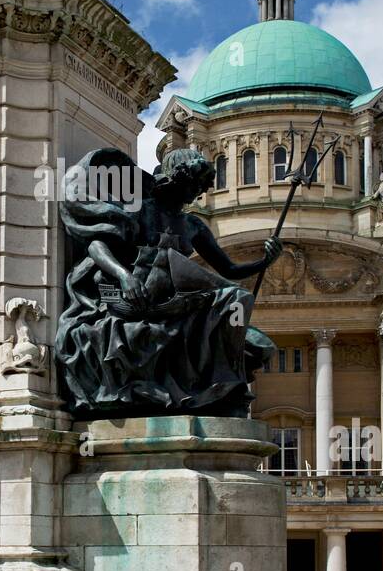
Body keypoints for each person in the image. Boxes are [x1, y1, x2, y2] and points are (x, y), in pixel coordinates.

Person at [55, 147, 282, 416]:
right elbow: (96, 246)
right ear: (174, 179)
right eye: (191, 183)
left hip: (172, 301)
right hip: (131, 298)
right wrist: (124, 276)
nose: (195, 192)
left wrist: (264, 262)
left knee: (237, 301)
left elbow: (229, 269)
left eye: (199, 186)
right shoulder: (139, 210)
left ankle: (224, 387)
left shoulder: (193, 225)